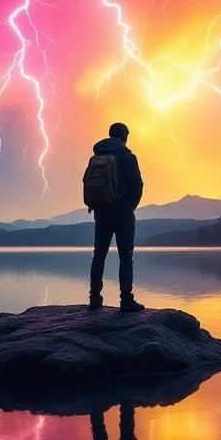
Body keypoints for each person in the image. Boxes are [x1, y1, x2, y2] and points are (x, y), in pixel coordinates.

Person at [88, 122, 144, 312]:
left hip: (101, 212)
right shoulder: (127, 156)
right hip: (123, 213)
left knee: (99, 256)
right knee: (125, 257)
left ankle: (94, 298)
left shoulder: (97, 156)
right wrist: (130, 207)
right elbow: (137, 185)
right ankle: (126, 300)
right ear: (124, 136)